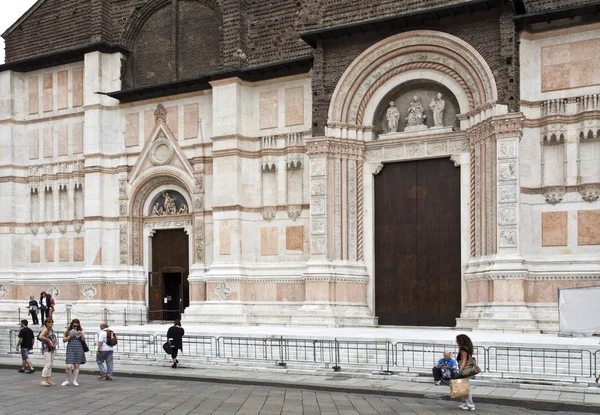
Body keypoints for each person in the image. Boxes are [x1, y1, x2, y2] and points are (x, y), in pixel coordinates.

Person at [62, 319, 86, 386]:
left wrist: (81, 334)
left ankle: (75, 380)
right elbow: (64, 340)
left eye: (77, 326)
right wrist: (70, 336)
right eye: (74, 326)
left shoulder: (81, 330)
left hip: (78, 347)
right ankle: (67, 380)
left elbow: (83, 340)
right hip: (70, 347)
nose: (75, 327)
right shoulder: (68, 331)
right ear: (72, 325)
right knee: (68, 366)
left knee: (77, 365)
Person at [456, 334, 476, 411]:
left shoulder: (463, 349)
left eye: (457, 340)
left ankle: (470, 405)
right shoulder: (468, 348)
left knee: (465, 388)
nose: (456, 342)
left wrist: (460, 370)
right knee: (463, 387)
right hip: (465, 370)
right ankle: (465, 403)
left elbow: (464, 360)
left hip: (464, 370)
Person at [38, 318, 58, 387]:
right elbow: (40, 336)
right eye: (49, 322)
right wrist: (48, 340)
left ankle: (48, 379)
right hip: (46, 348)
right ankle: (43, 379)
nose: (51, 324)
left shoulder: (51, 330)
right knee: (48, 364)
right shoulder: (45, 329)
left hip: (52, 348)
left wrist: (55, 340)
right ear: (46, 323)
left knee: (51, 364)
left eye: (52, 322)